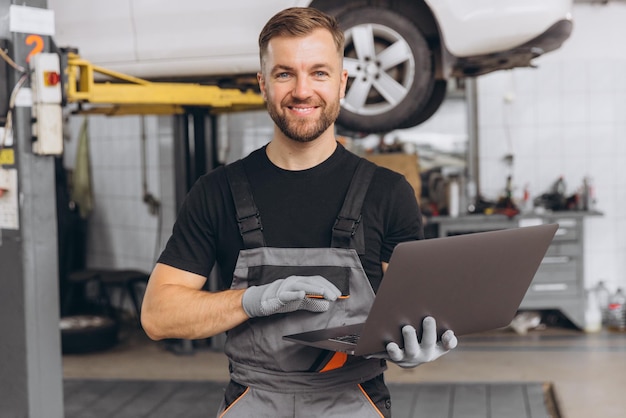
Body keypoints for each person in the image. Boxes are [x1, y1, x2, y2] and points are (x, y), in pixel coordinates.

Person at [141, 7, 457, 417]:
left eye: (319, 73)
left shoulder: (387, 192)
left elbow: (410, 313)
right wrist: (253, 301)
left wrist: (415, 347)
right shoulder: (216, 192)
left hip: (354, 401)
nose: (302, 90)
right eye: (284, 73)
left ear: (342, 83)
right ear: (263, 84)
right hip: (253, 401)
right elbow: (158, 316)